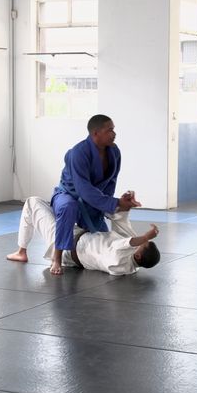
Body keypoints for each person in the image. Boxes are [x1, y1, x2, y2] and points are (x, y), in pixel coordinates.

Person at [50, 115, 139, 274]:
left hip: (92, 198)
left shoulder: (114, 152)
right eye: (109, 130)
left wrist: (111, 205)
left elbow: (111, 182)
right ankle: (56, 257)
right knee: (68, 207)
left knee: (102, 237)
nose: (114, 134)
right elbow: (83, 189)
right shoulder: (78, 152)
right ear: (96, 133)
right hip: (69, 194)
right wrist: (115, 203)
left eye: (113, 129)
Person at [7, 196, 161, 275]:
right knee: (67, 206)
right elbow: (122, 223)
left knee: (32, 202)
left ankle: (21, 252)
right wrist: (125, 205)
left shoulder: (120, 264)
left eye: (141, 244)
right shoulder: (132, 257)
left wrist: (146, 237)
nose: (139, 241)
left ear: (139, 256)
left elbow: (129, 243)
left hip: (64, 245)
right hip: (79, 232)